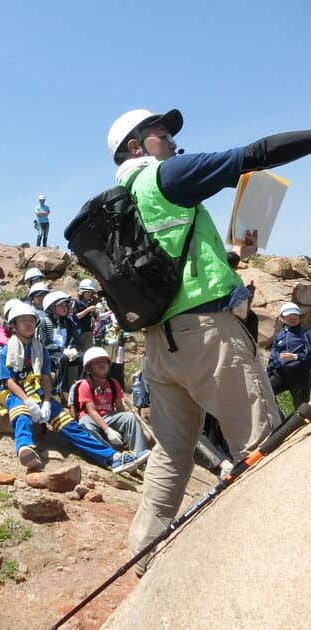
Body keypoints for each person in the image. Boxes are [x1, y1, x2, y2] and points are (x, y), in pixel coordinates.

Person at [105, 108, 311, 574]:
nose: (173, 143)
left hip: (162, 346)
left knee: (172, 452)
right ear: (137, 147)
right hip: (207, 337)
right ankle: (272, 557)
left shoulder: (126, 198)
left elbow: (173, 272)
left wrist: (234, 257)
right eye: (162, 135)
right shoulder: (163, 176)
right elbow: (254, 155)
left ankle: (143, 552)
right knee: (262, 441)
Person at [0, 302, 149, 473]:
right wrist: (28, 402)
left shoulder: (40, 349)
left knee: (70, 425)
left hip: (38, 391)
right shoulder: (8, 351)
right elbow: (9, 381)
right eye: (23, 321)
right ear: (13, 325)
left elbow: (45, 378)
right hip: (15, 393)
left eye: (31, 320)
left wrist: (46, 402)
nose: (28, 324)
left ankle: (113, 458)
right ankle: (25, 448)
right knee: (21, 414)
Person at [74, 347, 151, 454]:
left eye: (104, 361)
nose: (102, 364)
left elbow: (119, 407)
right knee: (85, 424)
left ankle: (139, 453)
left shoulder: (113, 383)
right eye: (97, 362)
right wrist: (108, 430)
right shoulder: (85, 385)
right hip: (90, 417)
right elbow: (91, 411)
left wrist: (124, 428)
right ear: (89, 368)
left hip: (108, 416)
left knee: (129, 417)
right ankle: (111, 454)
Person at [267, 302, 311, 412]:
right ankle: (280, 421)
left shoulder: (307, 334)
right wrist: (269, 371)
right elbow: (273, 356)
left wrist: (296, 357)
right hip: (280, 375)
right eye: (289, 315)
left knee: (301, 409)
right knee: (263, 393)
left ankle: (299, 428)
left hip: (299, 377)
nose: (292, 318)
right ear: (282, 318)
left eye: (295, 315)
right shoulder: (279, 336)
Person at [38, 290, 80, 397]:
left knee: (82, 357)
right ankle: (59, 390)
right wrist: (62, 350)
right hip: (50, 352)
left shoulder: (69, 322)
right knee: (62, 359)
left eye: (65, 305)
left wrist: (73, 348)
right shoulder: (44, 322)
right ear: (52, 308)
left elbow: (73, 338)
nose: (65, 308)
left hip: (66, 350)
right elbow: (45, 342)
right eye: (60, 305)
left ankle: (80, 387)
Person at [72, 279, 100, 351]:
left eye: (90, 292)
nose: (89, 294)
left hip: (88, 332)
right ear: (82, 292)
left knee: (88, 352)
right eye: (87, 292)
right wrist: (87, 310)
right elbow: (75, 317)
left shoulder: (90, 303)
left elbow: (97, 319)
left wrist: (97, 312)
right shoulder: (76, 302)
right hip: (78, 331)